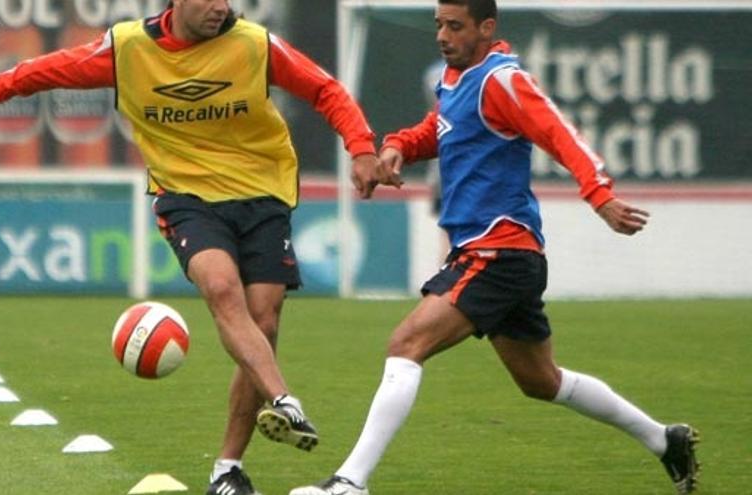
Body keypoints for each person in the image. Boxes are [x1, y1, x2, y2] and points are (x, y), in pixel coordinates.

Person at [0, 1, 380, 494]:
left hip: (263, 192)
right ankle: (285, 400)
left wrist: (362, 147)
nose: (221, 7)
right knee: (222, 290)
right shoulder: (128, 50)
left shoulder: (253, 45)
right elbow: (50, 70)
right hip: (187, 197)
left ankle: (226, 470)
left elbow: (324, 89)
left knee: (263, 321)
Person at [290, 1, 699, 494]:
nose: (442, 35)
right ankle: (664, 440)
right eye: (439, 24)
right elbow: (437, 130)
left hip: (497, 251)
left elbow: (560, 133)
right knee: (541, 381)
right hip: (503, 256)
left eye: (455, 26)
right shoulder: (456, 78)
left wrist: (600, 195)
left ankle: (349, 483)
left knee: (406, 344)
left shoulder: (502, 80)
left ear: (487, 27)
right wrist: (399, 146)